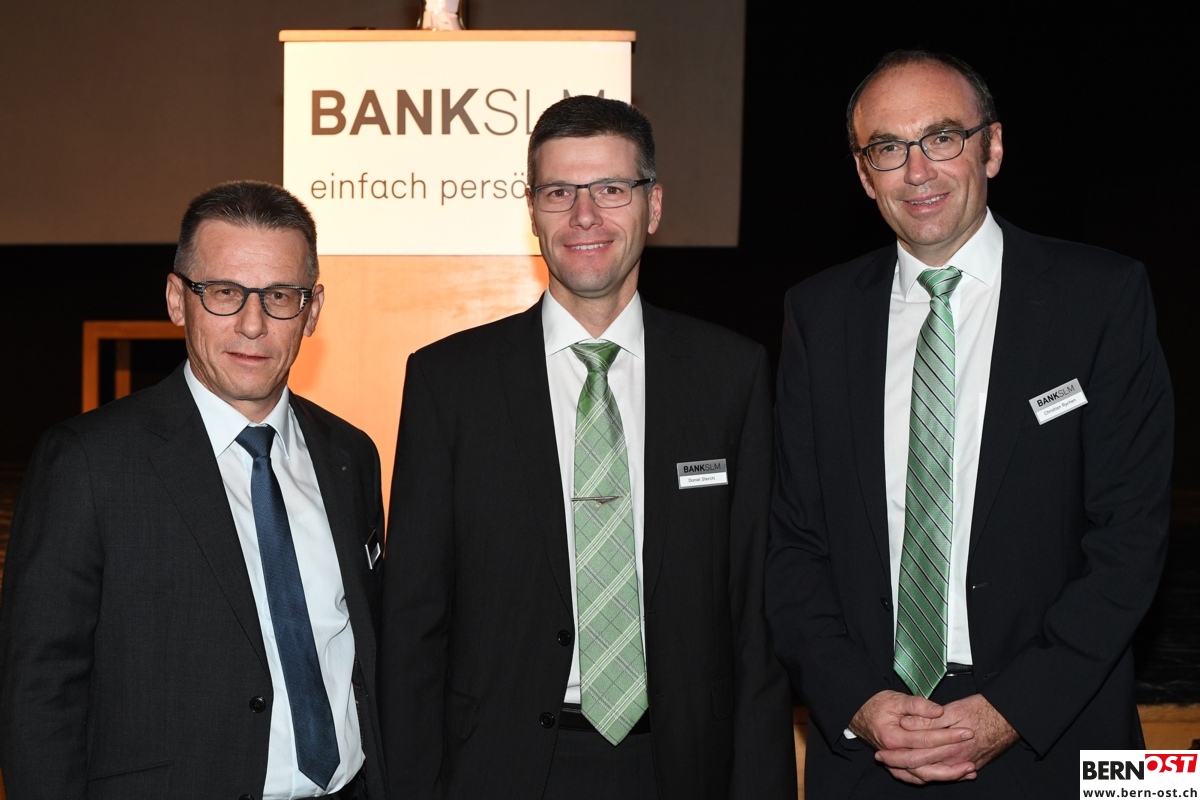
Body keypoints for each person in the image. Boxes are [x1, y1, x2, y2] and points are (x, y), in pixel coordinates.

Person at [766, 49, 1174, 798]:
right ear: (864, 174)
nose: (917, 170)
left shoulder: (1101, 297)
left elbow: (1131, 538)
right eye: (888, 148)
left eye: (942, 137)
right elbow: (793, 543)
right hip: (871, 748)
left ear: (993, 147)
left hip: (1061, 738)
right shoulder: (817, 316)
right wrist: (859, 701)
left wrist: (1012, 708)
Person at [379, 95, 795, 800]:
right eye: (559, 192)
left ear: (652, 205)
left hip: (681, 766)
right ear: (532, 211)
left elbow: (754, 618)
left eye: (610, 189)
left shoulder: (731, 375)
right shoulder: (449, 382)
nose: (583, 216)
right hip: (499, 771)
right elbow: (413, 620)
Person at [0, 181, 386, 799]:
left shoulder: (351, 455)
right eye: (225, 292)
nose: (253, 324)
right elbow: (38, 692)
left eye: (279, 296)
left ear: (312, 310)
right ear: (178, 299)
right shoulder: (89, 462)